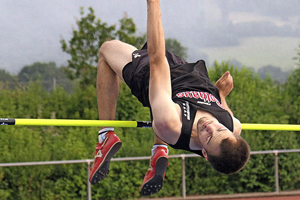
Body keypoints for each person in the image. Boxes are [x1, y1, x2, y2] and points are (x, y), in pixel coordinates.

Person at [89, 0, 250, 196]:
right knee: (163, 104)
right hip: (188, 75)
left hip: (158, 77)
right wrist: (221, 95)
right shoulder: (234, 126)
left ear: (204, 154)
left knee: (107, 49)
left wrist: (153, 4)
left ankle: (105, 135)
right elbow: (224, 114)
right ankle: (159, 149)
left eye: (208, 136)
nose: (210, 125)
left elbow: (157, 60)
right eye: (220, 128)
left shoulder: (172, 123)